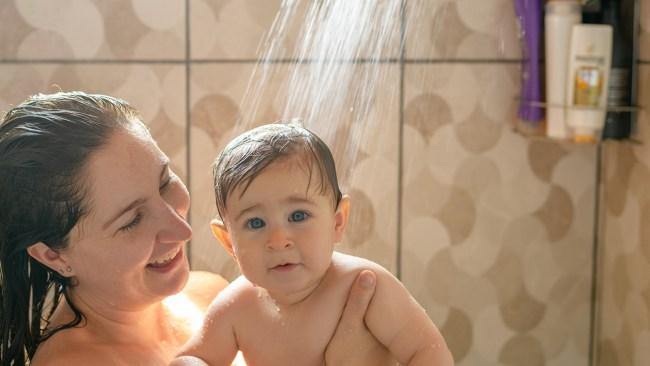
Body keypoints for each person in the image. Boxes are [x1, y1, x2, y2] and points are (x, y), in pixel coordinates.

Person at [0, 91, 393, 366]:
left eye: (164, 182)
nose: (181, 229)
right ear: (54, 254)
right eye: (132, 220)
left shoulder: (211, 296)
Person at [173, 123, 454, 366]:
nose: (279, 240)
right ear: (229, 241)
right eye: (256, 223)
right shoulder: (235, 307)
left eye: (298, 216)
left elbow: (429, 352)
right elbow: (195, 358)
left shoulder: (364, 287)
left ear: (337, 222)